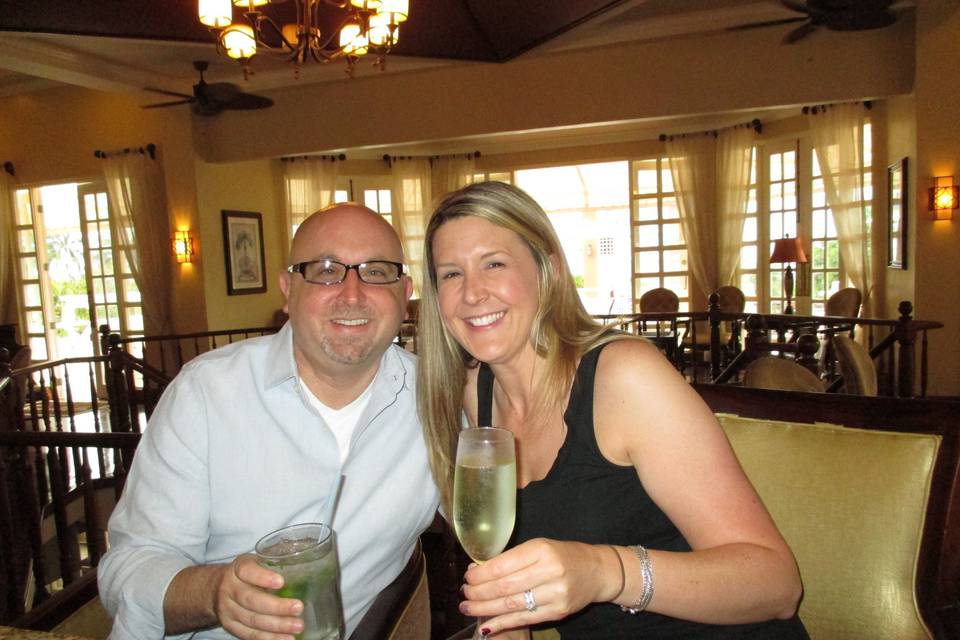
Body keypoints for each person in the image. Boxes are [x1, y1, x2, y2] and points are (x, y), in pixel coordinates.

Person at [416, 181, 808, 639]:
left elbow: (777, 585)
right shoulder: (474, 396)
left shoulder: (623, 377)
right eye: (450, 274)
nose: (472, 293)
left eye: (494, 264)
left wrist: (606, 571)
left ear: (550, 271)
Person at [99, 204, 440, 639]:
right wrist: (216, 592)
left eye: (376, 272)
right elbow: (127, 570)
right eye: (326, 269)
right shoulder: (205, 394)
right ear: (287, 290)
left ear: (404, 293)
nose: (352, 294)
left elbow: (505, 507)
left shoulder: (434, 401)